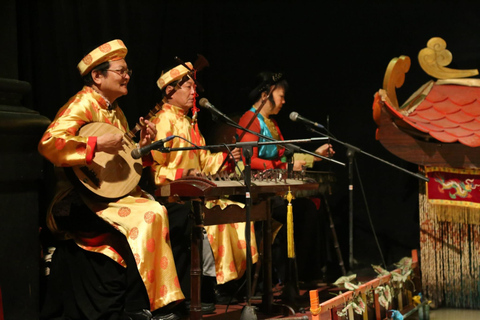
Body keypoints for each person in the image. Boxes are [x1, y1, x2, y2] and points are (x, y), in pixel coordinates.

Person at [38, 39, 183, 320]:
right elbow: (49, 143)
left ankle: (154, 303)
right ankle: (138, 306)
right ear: (97, 76)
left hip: (107, 192)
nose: (127, 76)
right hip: (78, 195)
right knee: (150, 214)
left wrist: (143, 146)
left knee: (165, 210)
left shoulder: (114, 110)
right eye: (121, 71)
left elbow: (121, 165)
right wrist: (93, 144)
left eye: (128, 71)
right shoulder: (82, 104)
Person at [149, 62, 259, 307]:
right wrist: (182, 173)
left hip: (196, 195)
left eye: (193, 88)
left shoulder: (189, 123)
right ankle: (202, 291)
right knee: (210, 221)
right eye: (188, 87)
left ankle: (224, 286)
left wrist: (225, 158)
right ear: (170, 91)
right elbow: (153, 170)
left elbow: (204, 163)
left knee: (238, 214)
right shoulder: (162, 122)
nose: (193, 93)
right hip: (174, 199)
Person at [237, 71, 335, 288]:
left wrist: (314, 156)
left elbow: (285, 158)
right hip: (257, 195)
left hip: (274, 191)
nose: (283, 101)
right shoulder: (251, 119)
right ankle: (295, 277)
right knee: (305, 210)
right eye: (280, 95)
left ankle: (302, 274)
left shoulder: (270, 124)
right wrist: (281, 168)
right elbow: (247, 159)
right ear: (266, 94)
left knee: (311, 205)